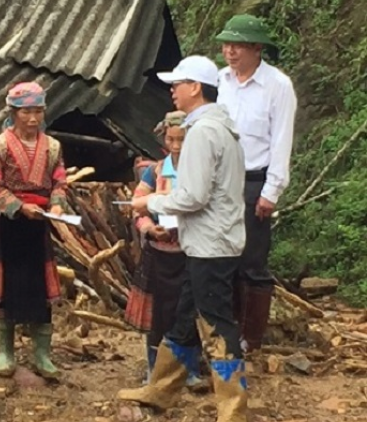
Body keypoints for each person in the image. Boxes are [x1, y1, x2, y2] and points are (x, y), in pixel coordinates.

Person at [118, 56, 248, 422]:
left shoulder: (204, 132)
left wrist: (147, 201)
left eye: (177, 84)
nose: (172, 90)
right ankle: (159, 390)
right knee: (184, 320)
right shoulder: (217, 128)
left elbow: (191, 196)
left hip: (211, 244)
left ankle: (234, 408)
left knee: (217, 327)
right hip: (211, 241)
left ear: (195, 87)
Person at [0, 82, 67, 380]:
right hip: (8, 224)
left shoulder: (52, 146)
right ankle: (6, 351)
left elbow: (60, 181)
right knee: (6, 288)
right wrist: (18, 206)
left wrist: (58, 204)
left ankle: (42, 354)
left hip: (38, 224)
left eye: (38, 111)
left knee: (39, 288)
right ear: (13, 112)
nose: (33, 118)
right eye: (27, 112)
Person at [215, 14, 298, 353]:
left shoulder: (277, 86)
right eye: (226, 45)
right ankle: (228, 329)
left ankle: (253, 337)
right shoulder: (221, 80)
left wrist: (271, 191)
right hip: (221, 179)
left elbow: (281, 140)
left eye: (237, 46)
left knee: (252, 260)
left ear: (256, 48)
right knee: (223, 257)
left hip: (254, 179)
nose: (230, 52)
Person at [124, 110, 203, 388]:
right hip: (159, 252)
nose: (177, 146)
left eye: (183, 139)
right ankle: (154, 370)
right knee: (156, 316)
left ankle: (188, 370)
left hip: (191, 252)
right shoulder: (154, 171)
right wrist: (148, 227)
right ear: (164, 139)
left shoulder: (202, 171)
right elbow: (137, 205)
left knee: (188, 313)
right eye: (172, 139)